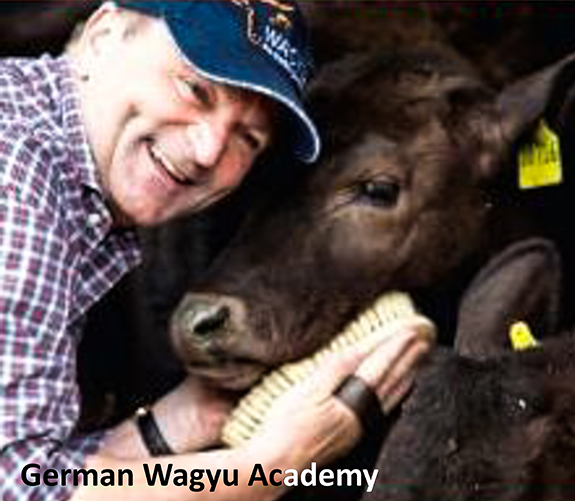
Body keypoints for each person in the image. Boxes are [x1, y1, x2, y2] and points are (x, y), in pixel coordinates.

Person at [0, 2, 433, 500]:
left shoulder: (56, 168)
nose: (209, 151)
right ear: (104, 32)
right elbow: (22, 487)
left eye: (248, 138)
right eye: (196, 90)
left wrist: (187, 420)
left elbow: (49, 473)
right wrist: (273, 465)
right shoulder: (18, 182)